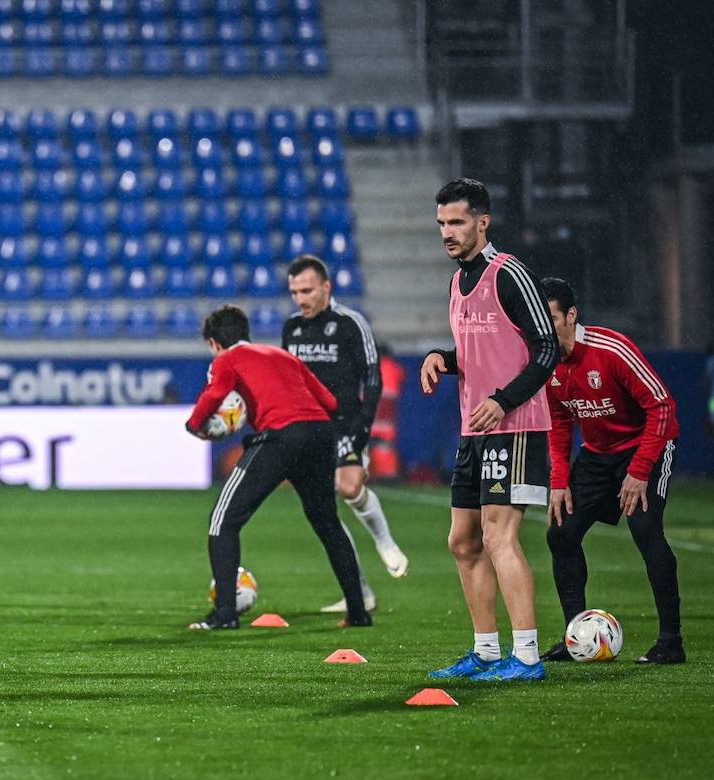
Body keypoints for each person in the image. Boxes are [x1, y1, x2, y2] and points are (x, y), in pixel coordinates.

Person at [420, 177, 559, 683]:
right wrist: (442, 357)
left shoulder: (509, 273)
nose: (447, 232)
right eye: (441, 223)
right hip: (475, 430)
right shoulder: (457, 283)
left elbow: (546, 349)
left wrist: (503, 400)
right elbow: (483, 353)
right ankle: (484, 652)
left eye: (456, 222)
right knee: (463, 540)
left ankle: (526, 657)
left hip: (515, 425)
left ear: (483, 221)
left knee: (500, 536)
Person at [185, 305, 372, 630]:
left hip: (282, 437)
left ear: (215, 343)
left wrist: (194, 424)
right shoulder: (284, 356)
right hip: (320, 434)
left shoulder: (226, 359)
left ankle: (225, 615)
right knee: (327, 522)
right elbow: (328, 401)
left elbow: (215, 394)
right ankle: (359, 612)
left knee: (222, 521)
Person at [540, 278, 685, 664]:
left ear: (571, 315)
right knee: (560, 533)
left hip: (647, 446)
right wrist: (558, 482)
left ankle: (671, 642)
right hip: (598, 454)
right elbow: (557, 421)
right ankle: (577, 638)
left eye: (550, 317)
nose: (542, 326)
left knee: (646, 530)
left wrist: (639, 471)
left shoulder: (611, 349)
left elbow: (662, 406)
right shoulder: (545, 360)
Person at [283, 255, 408, 616]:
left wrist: (362, 427)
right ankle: (360, 591)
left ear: (326, 287)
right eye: (294, 292)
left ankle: (384, 541)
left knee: (350, 487)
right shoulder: (291, 328)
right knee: (324, 515)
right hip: (308, 429)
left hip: (345, 424)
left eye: (306, 290)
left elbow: (372, 378)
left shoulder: (351, 323)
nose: (300, 299)